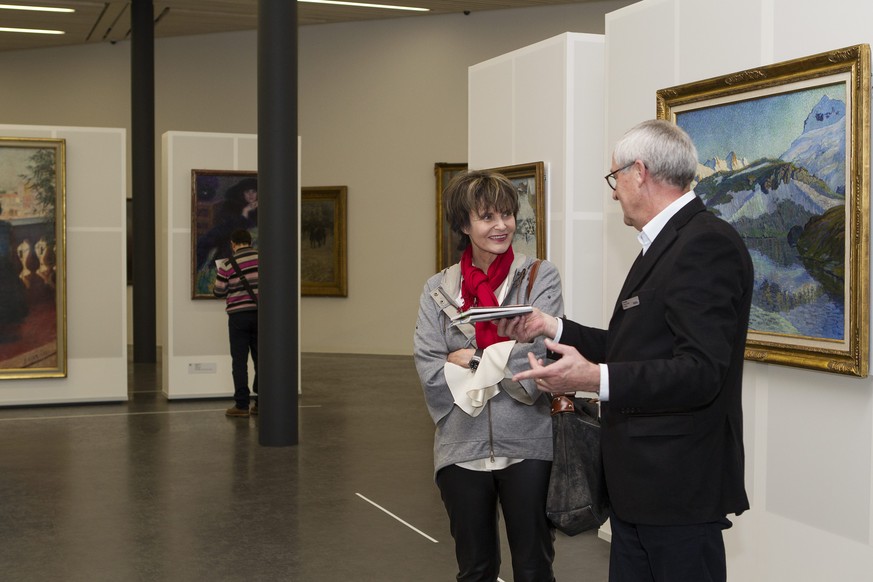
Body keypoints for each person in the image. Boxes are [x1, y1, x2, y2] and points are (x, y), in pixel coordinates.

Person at [499, 119, 753, 582]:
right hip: (642, 488)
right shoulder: (666, 243)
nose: (614, 192)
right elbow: (634, 344)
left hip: (676, 489)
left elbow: (699, 372)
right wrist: (549, 325)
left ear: (640, 172)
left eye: (614, 178)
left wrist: (594, 379)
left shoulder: (704, 244)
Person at [413, 170, 564, 582]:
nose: (501, 226)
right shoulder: (437, 290)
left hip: (529, 443)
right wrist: (500, 354)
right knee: (475, 569)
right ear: (464, 225)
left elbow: (540, 352)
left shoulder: (539, 277)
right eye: (486, 217)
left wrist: (468, 360)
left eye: (508, 215)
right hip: (460, 445)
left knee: (534, 567)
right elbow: (428, 362)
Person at [214, 228, 259, 418]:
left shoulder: (226, 264)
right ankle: (261, 403)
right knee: (261, 360)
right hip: (261, 315)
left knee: (239, 362)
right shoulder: (264, 258)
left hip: (238, 318)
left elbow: (219, 291)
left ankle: (241, 406)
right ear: (250, 242)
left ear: (233, 244)